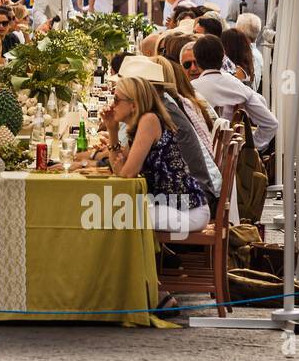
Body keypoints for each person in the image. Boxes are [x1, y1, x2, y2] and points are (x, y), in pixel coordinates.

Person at [96, 76, 210, 240]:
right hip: (172, 206)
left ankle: (132, 265)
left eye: (116, 98)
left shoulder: (149, 120)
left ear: (133, 105)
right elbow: (119, 171)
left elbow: (126, 174)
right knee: (112, 212)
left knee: (112, 216)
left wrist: (123, 168)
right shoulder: (140, 125)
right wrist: (112, 130)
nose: (112, 105)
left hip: (188, 212)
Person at [190, 35, 279, 151]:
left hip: (200, 154)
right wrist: (247, 145)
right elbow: (270, 123)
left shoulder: (190, 89)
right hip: (232, 156)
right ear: (223, 57)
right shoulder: (237, 86)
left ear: (196, 61)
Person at [234, 12, 264, 93]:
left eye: (235, 28)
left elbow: (251, 86)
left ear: (240, 31)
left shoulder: (250, 54)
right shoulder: (255, 53)